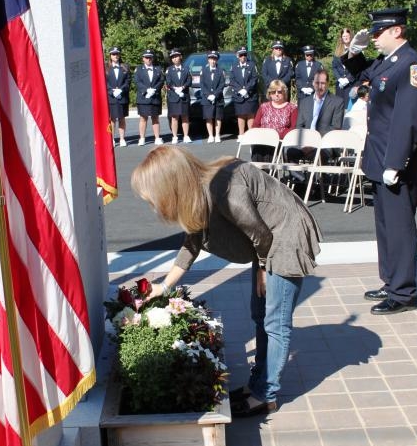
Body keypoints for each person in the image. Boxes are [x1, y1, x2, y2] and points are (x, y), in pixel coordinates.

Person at [131, 146, 322, 416]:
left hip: (284, 237)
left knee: (275, 321)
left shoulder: (223, 186)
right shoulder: (198, 193)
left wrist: (263, 269)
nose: (154, 205)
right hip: (266, 242)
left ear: (170, 185)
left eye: (153, 197)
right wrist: (163, 286)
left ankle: (265, 394)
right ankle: (258, 384)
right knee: (260, 315)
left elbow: (260, 233)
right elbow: (192, 242)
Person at [343, 7, 417, 315]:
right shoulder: (388, 62)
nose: (374, 38)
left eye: (378, 33)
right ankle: (391, 279)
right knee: (384, 225)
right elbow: (362, 75)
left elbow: (407, 119)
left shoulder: (411, 65)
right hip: (378, 154)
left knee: (400, 225)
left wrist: (396, 162)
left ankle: (404, 292)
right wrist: (354, 51)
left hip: (395, 158)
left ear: (397, 31)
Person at [285, 70, 344, 166]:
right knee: (290, 152)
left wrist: (314, 142)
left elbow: (335, 127)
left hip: (325, 144)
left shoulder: (337, 102)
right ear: (313, 83)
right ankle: (302, 179)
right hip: (305, 142)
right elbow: (299, 126)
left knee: (318, 154)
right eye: (317, 83)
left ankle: (318, 179)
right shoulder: (304, 102)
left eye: (323, 83)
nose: (320, 86)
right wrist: (307, 142)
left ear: (328, 84)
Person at [251, 79, 297, 162]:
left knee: (270, 147)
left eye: (279, 92)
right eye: (273, 92)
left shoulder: (292, 108)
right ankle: (257, 172)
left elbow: (293, 128)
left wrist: (276, 135)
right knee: (258, 146)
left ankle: (268, 173)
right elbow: (255, 125)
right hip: (262, 140)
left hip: (280, 140)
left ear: (284, 93)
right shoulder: (263, 107)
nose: (276, 94)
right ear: (269, 94)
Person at [134, 49, 165, 146]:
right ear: (143, 59)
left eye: (150, 58)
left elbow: (161, 80)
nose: (148, 59)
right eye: (146, 58)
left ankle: (157, 137)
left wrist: (154, 90)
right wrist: (146, 90)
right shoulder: (138, 69)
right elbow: (137, 81)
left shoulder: (158, 69)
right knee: (143, 118)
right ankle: (142, 138)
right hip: (143, 97)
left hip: (155, 97)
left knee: (155, 118)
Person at [230, 46, 260, 138]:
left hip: (250, 94)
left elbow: (254, 79)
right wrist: (240, 90)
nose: (243, 56)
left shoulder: (252, 65)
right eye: (241, 55)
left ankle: (250, 135)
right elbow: (232, 80)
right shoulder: (234, 66)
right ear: (238, 56)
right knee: (241, 115)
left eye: (244, 55)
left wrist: (246, 89)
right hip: (239, 95)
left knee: (251, 114)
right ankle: (241, 134)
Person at [165, 49, 192, 144]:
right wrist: (175, 89)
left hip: (184, 95)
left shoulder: (186, 68)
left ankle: (186, 136)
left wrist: (183, 87)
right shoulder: (169, 70)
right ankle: (175, 136)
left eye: (176, 56)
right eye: (173, 57)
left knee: (185, 116)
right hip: (173, 96)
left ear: (180, 57)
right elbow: (168, 82)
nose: (175, 59)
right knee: (174, 117)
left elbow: (189, 81)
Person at [106, 46, 131, 147]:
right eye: (113, 54)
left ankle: (122, 138)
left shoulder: (125, 67)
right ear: (110, 56)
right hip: (111, 97)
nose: (115, 56)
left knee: (121, 118)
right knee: (112, 119)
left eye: (117, 54)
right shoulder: (106, 67)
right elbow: (104, 82)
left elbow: (128, 81)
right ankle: (111, 139)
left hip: (122, 96)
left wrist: (121, 89)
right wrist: (112, 91)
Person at [199, 51, 225, 143]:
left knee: (218, 117)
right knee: (208, 117)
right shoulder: (203, 70)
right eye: (211, 59)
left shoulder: (221, 70)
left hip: (218, 98)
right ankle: (210, 135)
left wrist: (215, 95)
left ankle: (217, 135)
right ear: (208, 60)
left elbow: (222, 84)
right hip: (207, 98)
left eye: (214, 59)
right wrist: (208, 95)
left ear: (217, 60)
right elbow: (202, 84)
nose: (213, 61)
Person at [332, 27, 357, 108]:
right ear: (341, 38)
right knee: (339, 108)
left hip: (351, 85)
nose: (345, 37)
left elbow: (358, 68)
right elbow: (334, 67)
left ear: (350, 36)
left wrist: (348, 79)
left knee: (350, 109)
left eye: (347, 35)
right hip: (340, 86)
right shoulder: (337, 51)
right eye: (343, 36)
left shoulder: (356, 50)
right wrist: (339, 78)